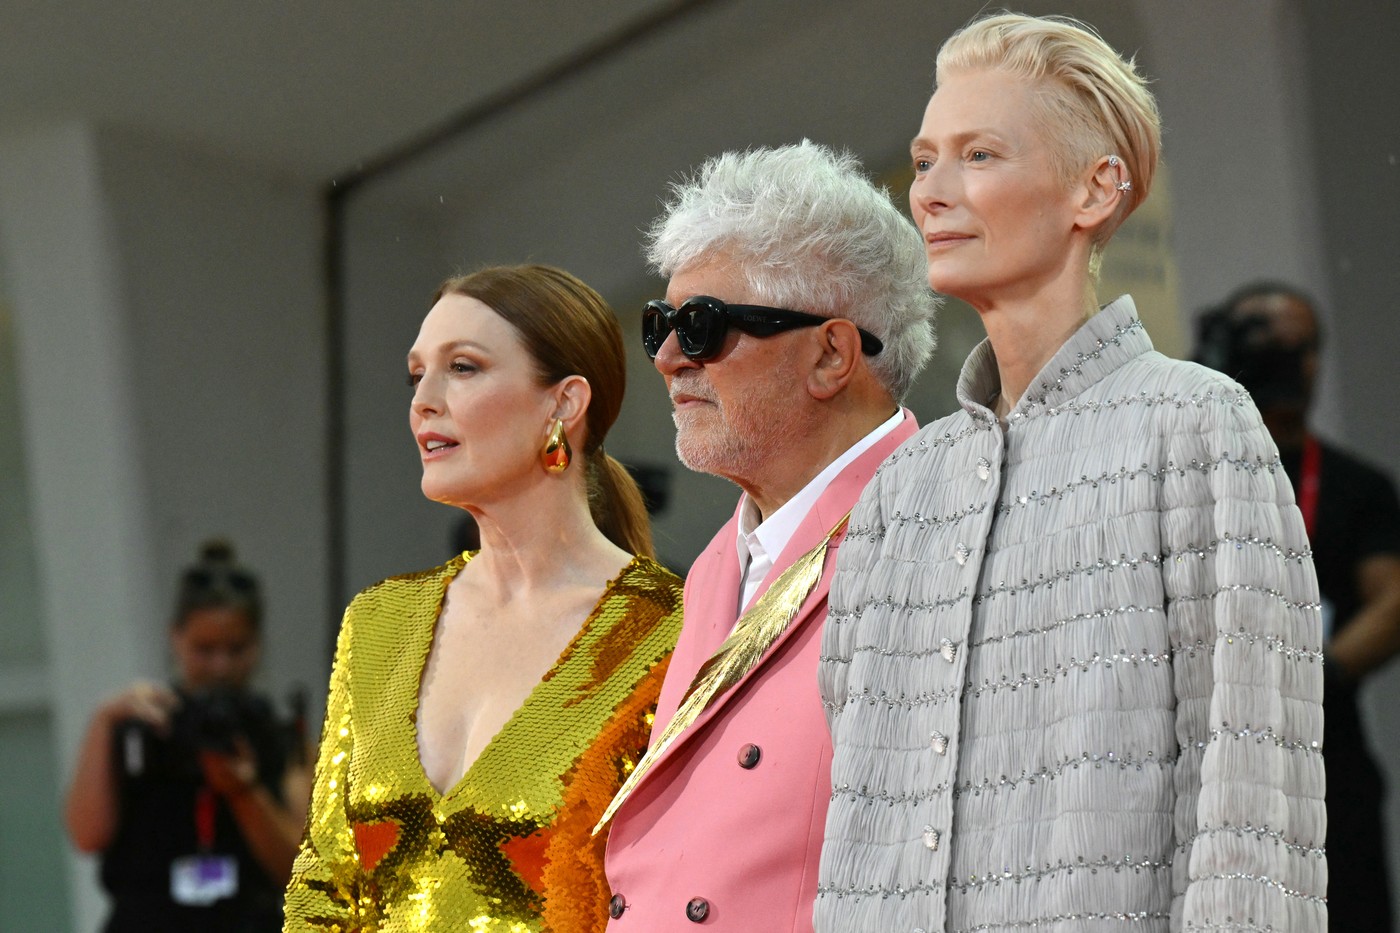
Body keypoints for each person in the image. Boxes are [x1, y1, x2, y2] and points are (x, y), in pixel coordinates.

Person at [817, 14, 1326, 932]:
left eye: (978, 155)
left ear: (1097, 188)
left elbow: (1256, 781)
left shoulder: (1195, 424)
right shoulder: (901, 491)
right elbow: (857, 818)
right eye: (924, 159)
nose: (929, 192)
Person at [596, 141, 937, 930]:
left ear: (830, 353)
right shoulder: (718, 562)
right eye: (660, 327)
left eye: (706, 326)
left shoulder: (942, 526)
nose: (671, 359)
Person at [282, 265, 683, 932]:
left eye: (462, 368)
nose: (423, 401)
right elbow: (323, 885)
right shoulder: (378, 621)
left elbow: (678, 893)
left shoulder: (670, 628)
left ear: (563, 404)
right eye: (417, 375)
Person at [1196, 281, 1400, 930]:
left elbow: (1393, 602)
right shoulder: (1194, 473)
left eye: (1304, 346)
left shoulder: (1353, 486)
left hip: (1323, 758)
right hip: (1215, 760)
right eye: (1271, 341)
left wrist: (1316, 675)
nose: (1296, 361)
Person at [65, 540, 311, 933]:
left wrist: (244, 791)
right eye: (204, 649)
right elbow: (87, 836)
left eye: (236, 649)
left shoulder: (275, 734)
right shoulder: (141, 727)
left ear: (258, 644)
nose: (220, 666)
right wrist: (103, 723)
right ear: (175, 638)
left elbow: (300, 870)